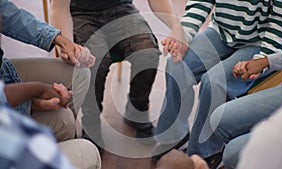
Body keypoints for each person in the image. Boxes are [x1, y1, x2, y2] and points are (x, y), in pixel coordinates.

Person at [153, 0, 282, 168]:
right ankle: (174, 136)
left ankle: (205, 153)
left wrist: (261, 61)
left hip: (261, 45)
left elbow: (280, 25)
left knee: (214, 83)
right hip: (221, 33)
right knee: (176, 65)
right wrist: (183, 34)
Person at [50, 0, 183, 148]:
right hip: (81, 14)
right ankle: (91, 122)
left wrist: (175, 25)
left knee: (147, 52)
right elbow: (59, 7)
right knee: (95, 65)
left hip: (122, 9)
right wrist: (67, 45)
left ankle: (136, 109)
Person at [0, 0, 95, 142]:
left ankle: (68, 139)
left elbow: (8, 13)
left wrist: (61, 40)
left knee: (80, 73)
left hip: (4, 71)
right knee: (65, 120)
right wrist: (35, 94)